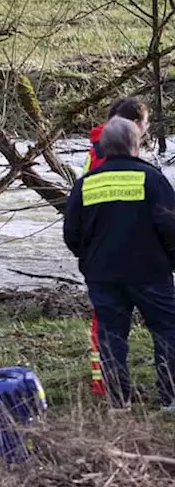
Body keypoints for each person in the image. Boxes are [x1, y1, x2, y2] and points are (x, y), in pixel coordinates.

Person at [64, 116, 175, 410]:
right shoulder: (151, 178)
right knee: (167, 330)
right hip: (150, 271)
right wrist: (170, 262)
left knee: (112, 337)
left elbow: (71, 234)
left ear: (103, 147)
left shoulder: (85, 183)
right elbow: (171, 226)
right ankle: (171, 398)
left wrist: (88, 261)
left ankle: (118, 400)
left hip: (103, 274)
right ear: (135, 143)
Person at [81, 97, 151, 396]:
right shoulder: (115, 153)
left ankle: (105, 384)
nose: (146, 130)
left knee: (107, 322)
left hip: (100, 253)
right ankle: (108, 384)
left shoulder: (95, 150)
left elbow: (81, 206)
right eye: (145, 124)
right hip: (130, 254)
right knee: (156, 323)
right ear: (134, 125)